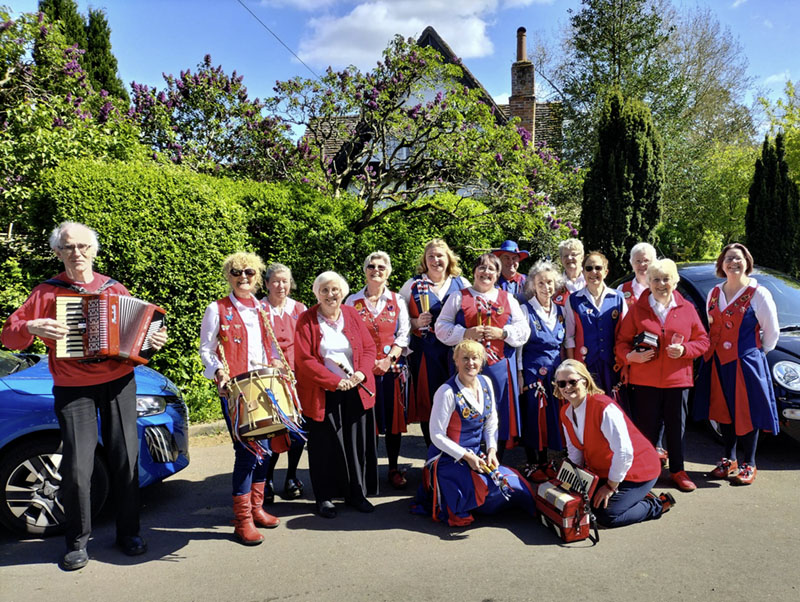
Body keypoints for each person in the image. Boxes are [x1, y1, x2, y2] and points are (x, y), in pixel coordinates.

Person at [1, 221, 167, 570]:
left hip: (119, 382)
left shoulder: (113, 288)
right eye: (68, 247)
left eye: (82, 246)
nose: (76, 253)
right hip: (73, 387)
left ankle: (129, 533)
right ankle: (76, 542)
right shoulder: (46, 293)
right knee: (77, 467)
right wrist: (30, 327)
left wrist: (151, 342)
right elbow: (10, 337)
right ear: (58, 252)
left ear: (93, 250)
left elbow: (140, 340)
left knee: (125, 459)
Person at [199, 252, 286, 545]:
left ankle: (257, 508)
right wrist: (218, 373)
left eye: (249, 272)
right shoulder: (217, 309)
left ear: (257, 276)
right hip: (236, 390)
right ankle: (242, 520)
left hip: (265, 387)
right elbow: (206, 350)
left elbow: (269, 348)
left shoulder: (262, 309)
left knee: (268, 449)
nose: (243, 277)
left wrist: (276, 364)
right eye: (237, 272)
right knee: (248, 453)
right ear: (229, 276)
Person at [413, 339, 536, 526]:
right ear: (456, 361)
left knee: (511, 485)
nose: (470, 363)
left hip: (477, 455)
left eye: (475, 358)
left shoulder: (486, 382)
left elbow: (491, 421)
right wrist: (466, 456)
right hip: (448, 458)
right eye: (465, 358)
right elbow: (436, 435)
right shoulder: (446, 392)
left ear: (482, 362)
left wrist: (492, 450)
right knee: (479, 492)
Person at [615, 259, 709, 492]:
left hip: (678, 380)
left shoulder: (686, 308)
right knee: (646, 429)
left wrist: (685, 350)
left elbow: (703, 341)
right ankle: (648, 471)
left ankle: (678, 470)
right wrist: (629, 357)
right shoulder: (638, 309)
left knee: (676, 429)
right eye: (656, 279)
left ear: (674, 282)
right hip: (644, 381)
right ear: (648, 281)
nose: (661, 284)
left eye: (666, 279)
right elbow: (621, 343)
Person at [694, 243, 780, 486]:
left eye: (739, 259)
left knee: (747, 411)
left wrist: (754, 353)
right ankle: (728, 459)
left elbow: (771, 333)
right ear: (721, 263)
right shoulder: (714, 293)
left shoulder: (758, 293)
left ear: (747, 262)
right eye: (729, 258)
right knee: (724, 410)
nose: (734, 263)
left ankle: (749, 463)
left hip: (746, 362)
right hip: (718, 362)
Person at [294, 271, 378, 518]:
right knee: (324, 447)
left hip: (355, 390)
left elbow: (369, 347)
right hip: (323, 393)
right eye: (325, 290)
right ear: (317, 294)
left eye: (335, 290)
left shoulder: (351, 314)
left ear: (343, 292)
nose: (331, 295)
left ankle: (356, 493)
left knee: (354, 446)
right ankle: (324, 498)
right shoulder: (306, 320)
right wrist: (334, 381)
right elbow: (304, 360)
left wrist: (362, 373)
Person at [554, 359, 675, 528]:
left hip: (638, 469)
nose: (567, 387)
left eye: (572, 381)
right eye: (561, 383)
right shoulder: (566, 412)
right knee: (585, 504)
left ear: (585, 381)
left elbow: (624, 452)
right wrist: (572, 484)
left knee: (607, 516)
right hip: (607, 470)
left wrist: (610, 487)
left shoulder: (603, 407)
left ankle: (656, 505)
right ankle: (630, 497)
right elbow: (575, 452)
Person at [435, 253, 530, 457]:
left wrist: (503, 333)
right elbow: (441, 327)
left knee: (498, 415)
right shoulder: (459, 297)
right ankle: (466, 458)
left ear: (497, 275)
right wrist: (465, 333)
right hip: (467, 367)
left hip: (499, 368)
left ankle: (496, 459)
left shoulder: (508, 299)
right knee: (466, 411)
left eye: (491, 269)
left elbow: (524, 330)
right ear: (474, 272)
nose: (486, 272)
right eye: (482, 268)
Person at [345, 251, 412, 489]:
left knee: (393, 423)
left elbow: (404, 335)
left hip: (391, 369)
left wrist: (388, 359)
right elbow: (346, 336)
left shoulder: (397, 300)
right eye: (371, 266)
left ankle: (393, 467)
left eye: (381, 267)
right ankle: (367, 468)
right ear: (364, 271)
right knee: (366, 421)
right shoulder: (351, 301)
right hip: (363, 372)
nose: (376, 270)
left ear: (389, 272)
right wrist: (364, 365)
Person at [399, 239, 470, 448]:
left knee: (458, 399)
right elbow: (399, 319)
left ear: (448, 258)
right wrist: (414, 322)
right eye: (431, 256)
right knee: (430, 403)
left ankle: (458, 453)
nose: (436, 260)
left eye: (440, 255)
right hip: (425, 352)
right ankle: (432, 454)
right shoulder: (412, 285)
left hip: (455, 352)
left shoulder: (462, 283)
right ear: (424, 260)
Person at [261, 263, 308, 502]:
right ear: (267, 283)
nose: (281, 286)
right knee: (272, 431)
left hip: (297, 378)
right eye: (276, 281)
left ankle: (291, 476)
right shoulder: (258, 309)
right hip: (268, 378)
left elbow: (309, 342)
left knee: (298, 432)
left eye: (285, 281)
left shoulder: (300, 309)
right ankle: (266, 479)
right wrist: (271, 363)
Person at [518, 260, 565, 481]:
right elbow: (518, 347)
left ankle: (547, 461)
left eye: (549, 282)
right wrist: (519, 373)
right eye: (541, 283)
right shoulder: (525, 310)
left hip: (556, 372)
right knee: (533, 415)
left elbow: (567, 343)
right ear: (533, 286)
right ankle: (532, 462)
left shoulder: (562, 311)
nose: (546, 287)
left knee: (551, 416)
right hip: (532, 370)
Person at [563, 251, 626, 395]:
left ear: (606, 271)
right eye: (589, 268)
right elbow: (570, 337)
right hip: (585, 366)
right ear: (583, 272)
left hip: (614, 364)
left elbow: (625, 335)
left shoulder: (618, 298)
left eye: (598, 268)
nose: (593, 272)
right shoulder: (573, 300)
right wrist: (573, 366)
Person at [617, 242, 657, 309]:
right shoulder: (621, 289)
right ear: (632, 263)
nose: (642, 264)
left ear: (654, 262)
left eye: (646, 260)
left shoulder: (661, 287)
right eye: (638, 261)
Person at [554, 238, 585, 306]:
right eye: (565, 256)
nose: (569, 258)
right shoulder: (556, 284)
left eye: (573, 254)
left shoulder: (591, 280)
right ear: (561, 260)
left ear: (582, 257)